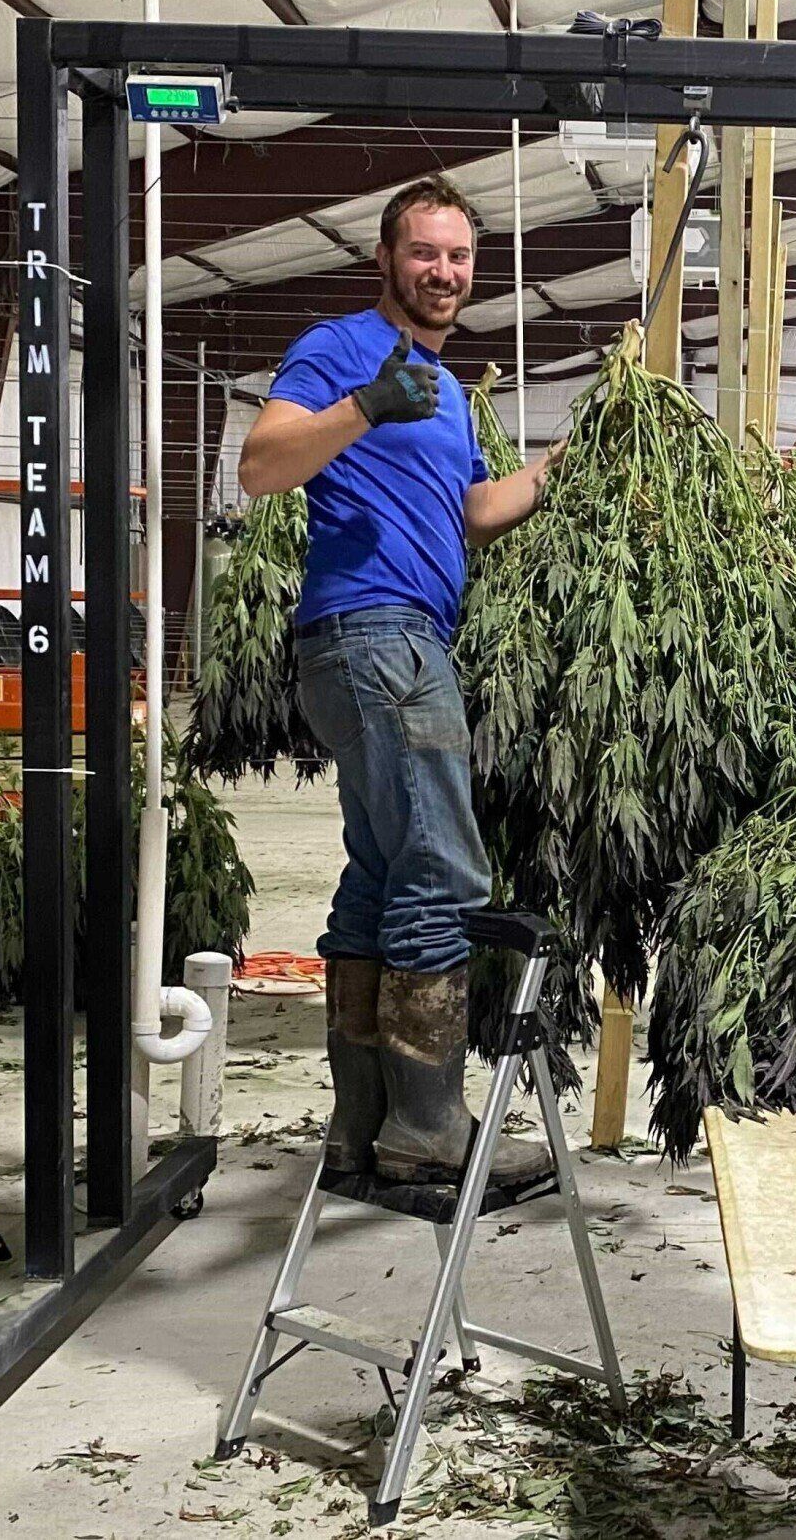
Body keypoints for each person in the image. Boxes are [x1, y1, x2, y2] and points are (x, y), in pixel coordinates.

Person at [238, 176, 555, 1198]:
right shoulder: (340, 349)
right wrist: (364, 402)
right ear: (386, 257)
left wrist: (554, 472)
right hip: (377, 638)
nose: (444, 272)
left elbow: (464, 512)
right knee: (442, 874)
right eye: (425, 252)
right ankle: (429, 1130)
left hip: (390, 641)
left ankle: (360, 1127)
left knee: (379, 877)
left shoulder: (448, 391)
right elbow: (261, 464)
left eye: (458, 257)